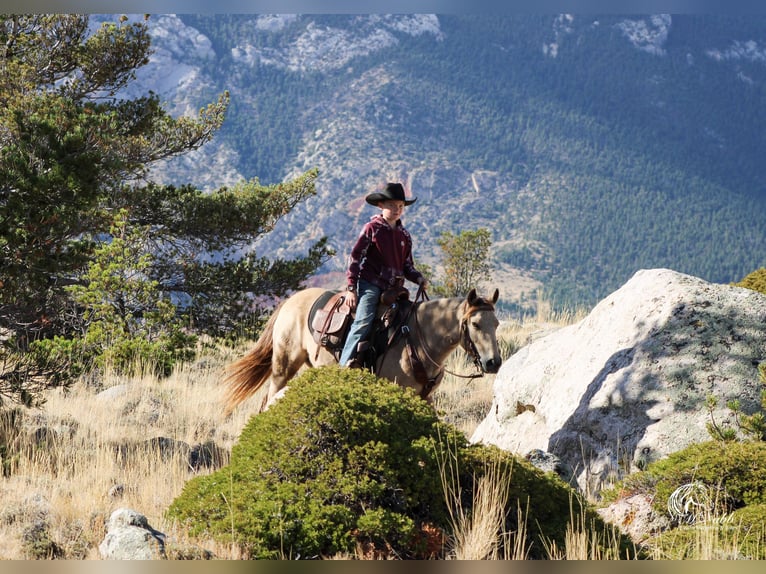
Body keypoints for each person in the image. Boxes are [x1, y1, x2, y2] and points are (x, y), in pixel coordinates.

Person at [339, 182, 428, 368]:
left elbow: (407, 266)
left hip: (395, 289)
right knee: (363, 322)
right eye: (392, 205)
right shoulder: (372, 228)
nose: (397, 210)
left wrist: (419, 278)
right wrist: (351, 288)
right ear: (381, 206)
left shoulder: (405, 235)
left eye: (400, 206)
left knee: (408, 321)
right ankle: (342, 367)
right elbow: (355, 258)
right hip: (371, 284)